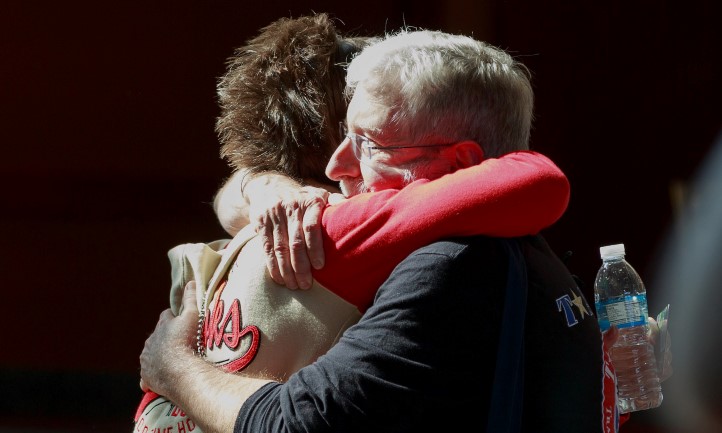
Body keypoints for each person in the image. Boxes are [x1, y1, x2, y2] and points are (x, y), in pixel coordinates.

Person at [140, 29, 604, 432]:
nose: (335, 167)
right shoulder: (523, 255)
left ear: (464, 163)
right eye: (343, 134)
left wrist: (174, 366)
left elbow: (296, 424)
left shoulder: (430, 258)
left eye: (367, 143)